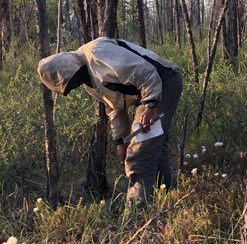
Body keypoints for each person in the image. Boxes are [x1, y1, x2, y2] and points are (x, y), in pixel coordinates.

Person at [37, 37, 182, 209]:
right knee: (155, 145)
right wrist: (120, 141)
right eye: (71, 86)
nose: (76, 85)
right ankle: (167, 198)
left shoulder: (98, 53)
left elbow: (145, 72)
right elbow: (114, 107)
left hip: (163, 83)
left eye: (74, 80)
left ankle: (136, 212)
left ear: (71, 67)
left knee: (140, 152)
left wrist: (151, 104)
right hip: (150, 93)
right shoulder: (89, 82)